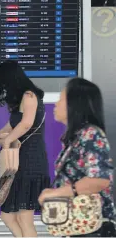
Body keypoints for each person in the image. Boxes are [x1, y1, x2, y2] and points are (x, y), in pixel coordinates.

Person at [38, 78, 115, 237]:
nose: (56, 104)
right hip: (79, 227)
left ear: (74, 104)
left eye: (61, 99)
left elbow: (99, 180)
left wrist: (55, 193)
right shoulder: (76, 138)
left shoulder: (91, 135)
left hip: (94, 229)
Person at [0, 60, 50, 237]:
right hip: (19, 163)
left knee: (25, 218)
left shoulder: (29, 96)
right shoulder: (21, 100)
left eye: (4, 84)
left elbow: (25, 124)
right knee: (7, 216)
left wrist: (7, 141)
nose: (4, 88)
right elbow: (9, 127)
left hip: (31, 161)